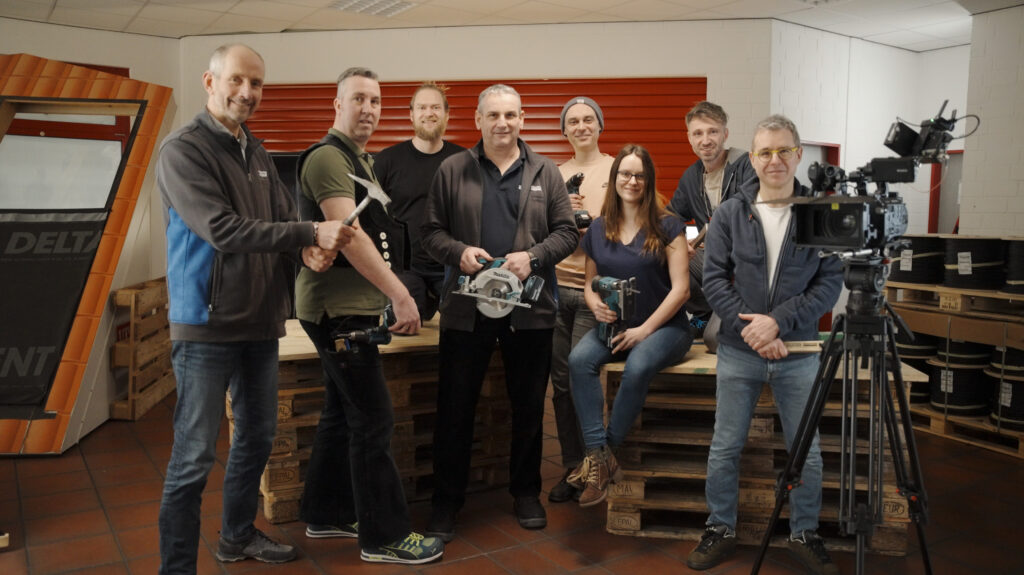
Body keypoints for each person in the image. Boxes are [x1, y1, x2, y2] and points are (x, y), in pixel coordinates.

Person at [156, 43, 353, 574]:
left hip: (261, 322)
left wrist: (306, 250)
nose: (248, 93)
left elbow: (280, 220)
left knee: (257, 438)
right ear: (210, 81)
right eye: (237, 81)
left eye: (257, 84)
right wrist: (309, 230)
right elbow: (221, 229)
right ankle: (176, 567)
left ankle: (236, 537)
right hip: (205, 324)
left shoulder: (257, 151)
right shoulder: (183, 150)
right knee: (193, 458)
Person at [293, 67, 444, 565]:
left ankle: (325, 511)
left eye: (376, 101)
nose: (368, 109)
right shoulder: (328, 159)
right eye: (358, 99)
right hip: (338, 315)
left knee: (342, 415)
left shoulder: (362, 161)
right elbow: (351, 237)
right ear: (336, 104)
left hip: (348, 310)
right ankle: (384, 536)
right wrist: (402, 295)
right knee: (373, 422)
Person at [422, 84, 578, 540]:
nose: (502, 123)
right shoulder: (452, 170)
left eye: (510, 114)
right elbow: (430, 231)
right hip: (465, 313)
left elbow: (567, 232)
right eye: (493, 115)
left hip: (528, 313)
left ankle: (525, 491)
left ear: (523, 118)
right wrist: (457, 251)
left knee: (528, 407)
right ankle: (446, 503)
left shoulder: (546, 171)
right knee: (454, 410)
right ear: (477, 119)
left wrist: (533, 256)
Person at [688, 115, 842, 574]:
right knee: (725, 446)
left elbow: (828, 284)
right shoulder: (733, 213)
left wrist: (777, 323)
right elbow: (714, 279)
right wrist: (752, 329)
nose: (774, 160)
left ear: (798, 154)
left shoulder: (820, 215)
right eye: (764, 152)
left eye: (783, 151)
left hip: (797, 353)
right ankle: (720, 528)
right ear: (751, 158)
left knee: (805, 451)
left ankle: (803, 532)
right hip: (739, 350)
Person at [566, 144, 693, 507]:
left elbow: (681, 290)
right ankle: (600, 456)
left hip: (666, 327)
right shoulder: (599, 228)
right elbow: (591, 282)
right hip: (616, 325)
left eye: (639, 174)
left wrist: (645, 330)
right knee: (578, 361)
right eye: (625, 174)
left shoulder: (668, 225)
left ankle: (605, 454)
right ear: (614, 178)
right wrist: (595, 306)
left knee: (637, 366)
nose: (632, 181)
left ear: (649, 180)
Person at [548, 96, 616, 503]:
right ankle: (573, 467)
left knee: (582, 376)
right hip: (556, 286)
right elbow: (538, 230)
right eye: (572, 121)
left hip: (595, 289)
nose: (581, 126)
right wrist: (561, 212)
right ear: (565, 129)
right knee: (559, 383)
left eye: (588, 118)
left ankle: (597, 465)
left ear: (599, 124)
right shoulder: (553, 174)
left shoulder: (616, 168)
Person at [373, 82, 465, 322]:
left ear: (447, 114)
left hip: (450, 266)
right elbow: (372, 218)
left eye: (435, 107)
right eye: (422, 107)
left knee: (464, 325)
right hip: (405, 268)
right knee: (405, 321)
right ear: (411, 114)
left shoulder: (465, 161)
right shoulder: (387, 160)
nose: (429, 113)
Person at [667, 101, 758, 337]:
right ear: (689, 138)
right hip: (713, 261)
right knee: (662, 251)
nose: (705, 140)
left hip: (745, 263)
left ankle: (718, 320)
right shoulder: (691, 177)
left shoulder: (747, 164)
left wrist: (703, 236)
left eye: (713, 132)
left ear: (725, 134)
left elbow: (745, 209)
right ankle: (703, 313)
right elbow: (670, 217)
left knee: (714, 340)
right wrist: (678, 242)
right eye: (698, 133)